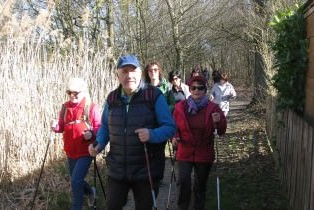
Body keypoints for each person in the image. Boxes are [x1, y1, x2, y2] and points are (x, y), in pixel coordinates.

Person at [88, 54, 176, 210]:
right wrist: (99, 144)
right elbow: (105, 127)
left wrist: (152, 134)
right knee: (112, 206)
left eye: (133, 71)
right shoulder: (112, 99)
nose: (129, 75)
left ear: (140, 73)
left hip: (146, 169)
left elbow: (170, 128)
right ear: (118, 75)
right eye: (124, 71)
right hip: (118, 169)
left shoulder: (153, 96)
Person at [172, 75, 227, 210]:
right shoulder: (180, 107)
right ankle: (183, 207)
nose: (197, 91)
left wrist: (218, 121)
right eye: (194, 88)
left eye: (200, 88)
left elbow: (221, 131)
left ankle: (198, 207)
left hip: (204, 151)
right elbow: (173, 126)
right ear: (189, 90)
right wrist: (175, 136)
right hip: (185, 150)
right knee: (184, 182)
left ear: (205, 90)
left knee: (200, 185)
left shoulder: (213, 108)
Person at [52, 78, 101, 210]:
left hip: (86, 150)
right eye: (69, 92)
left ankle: (77, 207)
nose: (72, 95)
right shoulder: (65, 107)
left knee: (75, 180)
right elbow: (61, 127)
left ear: (83, 92)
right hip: (70, 150)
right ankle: (91, 192)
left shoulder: (90, 107)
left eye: (76, 93)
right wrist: (55, 127)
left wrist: (92, 133)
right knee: (76, 180)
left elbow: (100, 127)